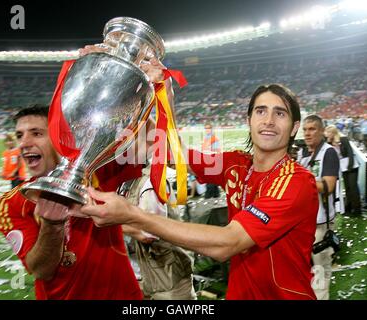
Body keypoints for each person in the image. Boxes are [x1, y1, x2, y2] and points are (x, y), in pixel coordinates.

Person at [80, 83, 319, 300]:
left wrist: (134, 216)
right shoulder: (236, 164)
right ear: (249, 120)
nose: (268, 120)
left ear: (294, 127)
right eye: (260, 111)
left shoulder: (296, 182)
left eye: (280, 113)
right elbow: (178, 155)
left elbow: (228, 243)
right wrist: (160, 97)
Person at [0, 105, 143, 300]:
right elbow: (40, 270)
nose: (24, 143)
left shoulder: (100, 173)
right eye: (19, 135)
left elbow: (150, 141)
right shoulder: (9, 203)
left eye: (36, 133)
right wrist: (52, 225)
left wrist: (149, 88)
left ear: (60, 138)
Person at [120, 164, 196, 300]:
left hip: (167, 278)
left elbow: (148, 234)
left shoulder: (149, 182)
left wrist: (112, 224)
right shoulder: (123, 183)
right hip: (144, 276)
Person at [298, 115, 342, 300]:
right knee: (306, 273)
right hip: (304, 224)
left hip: (320, 225)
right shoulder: (304, 155)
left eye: (312, 129)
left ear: (322, 131)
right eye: (305, 129)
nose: (307, 133)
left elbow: (329, 186)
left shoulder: (329, 152)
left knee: (320, 275)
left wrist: (300, 179)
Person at [325, 125, 361, 215]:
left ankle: (357, 209)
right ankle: (349, 208)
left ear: (333, 133)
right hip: (343, 167)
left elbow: (350, 152)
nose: (327, 135)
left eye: (328, 133)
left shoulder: (343, 139)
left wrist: (350, 165)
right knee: (347, 188)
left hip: (351, 165)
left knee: (353, 187)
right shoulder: (329, 143)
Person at [201, 123, 220, 199]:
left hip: (212, 162)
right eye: (205, 128)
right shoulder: (206, 138)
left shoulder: (214, 139)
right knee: (212, 183)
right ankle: (216, 196)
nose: (207, 130)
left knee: (210, 182)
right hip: (207, 162)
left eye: (208, 128)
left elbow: (216, 152)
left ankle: (209, 197)